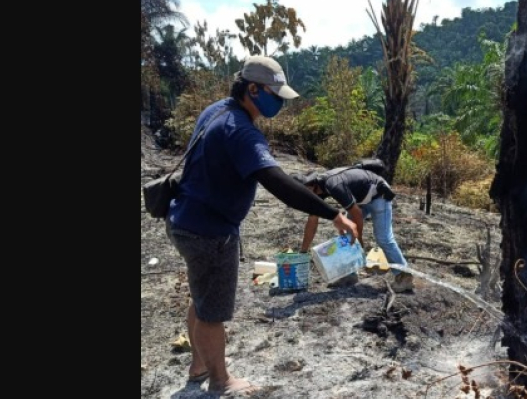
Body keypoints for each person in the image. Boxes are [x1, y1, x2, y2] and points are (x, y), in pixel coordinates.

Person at [164, 55, 359, 396]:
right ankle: (220, 380)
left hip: (183, 219)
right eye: (276, 95)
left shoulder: (217, 110)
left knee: (201, 296)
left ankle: (198, 365)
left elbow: (263, 172)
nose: (280, 103)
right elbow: (279, 184)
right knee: (212, 312)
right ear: (252, 89)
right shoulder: (241, 132)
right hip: (210, 232)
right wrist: (334, 214)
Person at [294, 167, 415, 293]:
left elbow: (356, 213)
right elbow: (312, 223)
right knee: (347, 235)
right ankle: (350, 275)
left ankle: (404, 276)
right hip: (361, 199)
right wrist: (303, 252)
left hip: (379, 195)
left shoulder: (333, 185)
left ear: (310, 185)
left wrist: (359, 241)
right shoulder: (318, 190)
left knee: (383, 238)